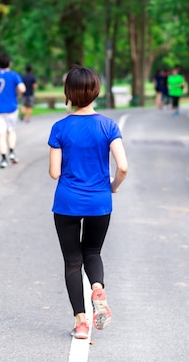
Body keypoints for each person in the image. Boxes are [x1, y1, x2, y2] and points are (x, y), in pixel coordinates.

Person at [48, 66, 128, 341]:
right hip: (99, 202)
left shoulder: (60, 128)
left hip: (67, 202)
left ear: (68, 94)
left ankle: (81, 323)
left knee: (72, 261)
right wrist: (113, 187)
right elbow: (124, 166)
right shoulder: (108, 126)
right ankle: (97, 288)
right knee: (92, 252)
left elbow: (55, 172)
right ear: (96, 92)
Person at [0, 54, 26, 168]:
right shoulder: (14, 75)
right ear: (9, 63)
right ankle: (12, 151)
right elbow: (23, 88)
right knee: (11, 131)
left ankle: (3, 158)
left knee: (0, 135)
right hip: (12, 107)